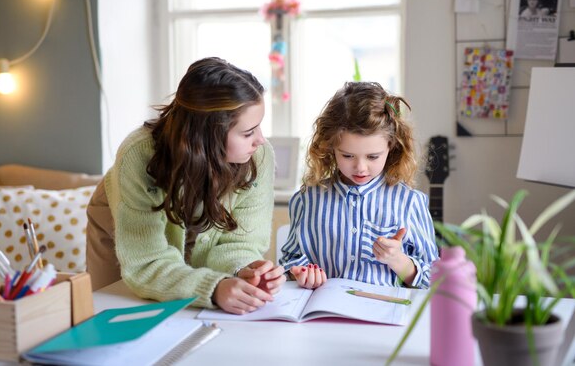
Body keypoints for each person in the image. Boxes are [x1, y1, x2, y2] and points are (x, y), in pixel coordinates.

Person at [86, 57, 286, 315]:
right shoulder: (139, 156)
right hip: (120, 222)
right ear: (206, 135)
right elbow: (146, 263)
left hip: (193, 219)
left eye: (259, 127)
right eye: (248, 132)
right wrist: (213, 288)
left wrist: (244, 268)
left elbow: (238, 243)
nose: (260, 140)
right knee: (116, 310)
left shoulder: (258, 157)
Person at [279, 82, 439, 290]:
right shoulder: (307, 200)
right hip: (322, 316)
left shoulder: (409, 202)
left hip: (383, 316)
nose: (360, 167)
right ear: (331, 148)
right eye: (347, 156)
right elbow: (290, 260)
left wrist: (398, 261)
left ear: (391, 146)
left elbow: (435, 278)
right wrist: (300, 273)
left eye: (373, 156)